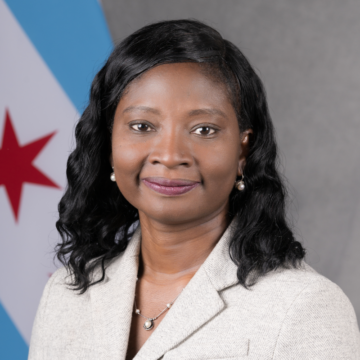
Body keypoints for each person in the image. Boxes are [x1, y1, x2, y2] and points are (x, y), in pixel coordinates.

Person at [28, 19, 360, 360]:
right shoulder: (67, 293)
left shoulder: (303, 307)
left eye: (204, 129)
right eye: (142, 126)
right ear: (108, 144)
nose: (170, 155)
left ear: (243, 151)